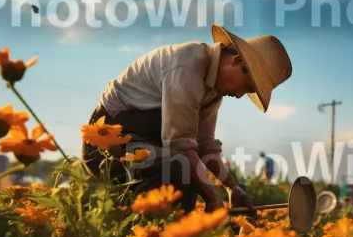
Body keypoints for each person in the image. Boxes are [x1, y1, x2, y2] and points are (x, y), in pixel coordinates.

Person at [81, 24, 293, 213]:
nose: (239, 95)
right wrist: (211, 198)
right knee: (180, 168)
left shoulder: (213, 91)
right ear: (237, 62)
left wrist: (233, 188)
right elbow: (180, 145)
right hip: (104, 145)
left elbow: (204, 146)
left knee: (187, 172)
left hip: (146, 148)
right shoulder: (188, 63)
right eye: (246, 87)